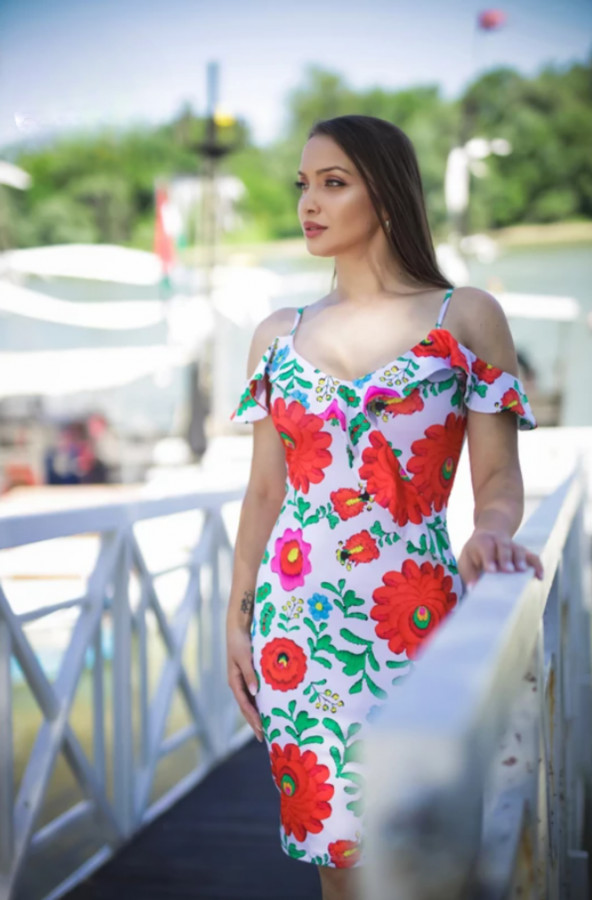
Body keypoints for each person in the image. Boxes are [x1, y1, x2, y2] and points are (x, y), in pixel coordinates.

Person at [225, 114, 544, 900]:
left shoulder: (462, 316)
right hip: (295, 630)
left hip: (417, 618)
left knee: (424, 858)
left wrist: (491, 532)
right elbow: (265, 492)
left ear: (388, 195)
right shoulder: (278, 334)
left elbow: (497, 477)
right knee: (338, 865)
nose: (309, 203)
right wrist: (236, 619)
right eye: (304, 185)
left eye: (334, 183)